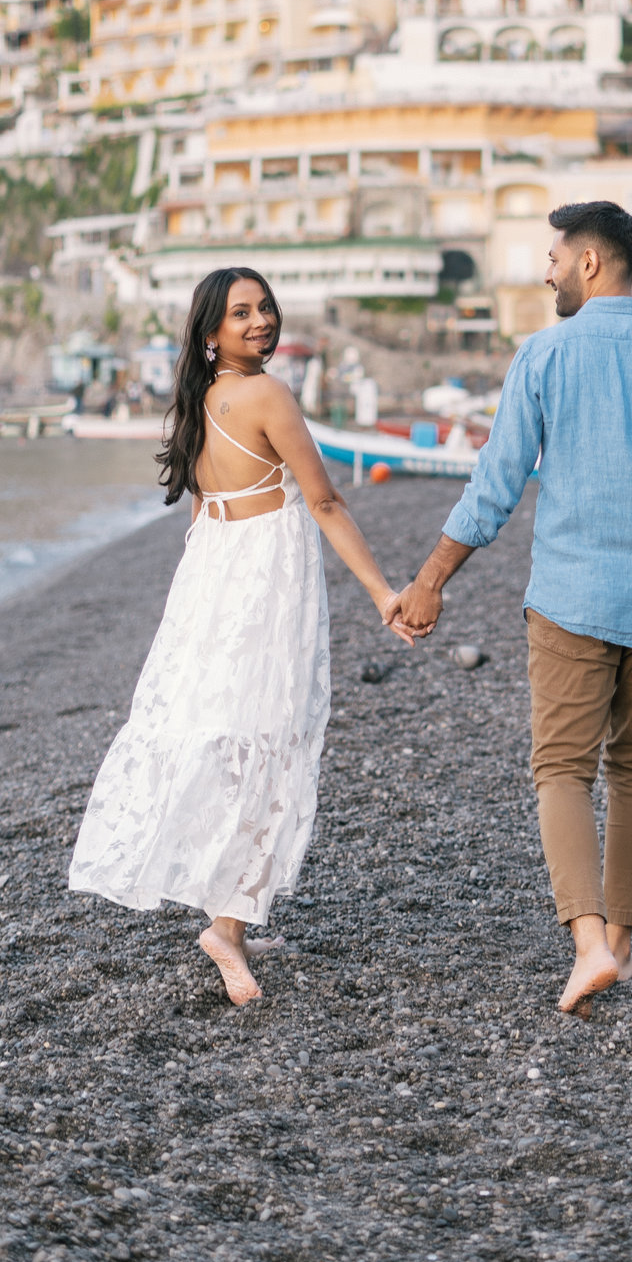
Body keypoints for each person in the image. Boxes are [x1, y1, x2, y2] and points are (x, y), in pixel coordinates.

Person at [387, 202, 632, 1015]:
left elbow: (494, 486)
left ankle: (589, 943)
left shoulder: (546, 355)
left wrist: (430, 581)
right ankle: (620, 950)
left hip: (572, 601)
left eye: (554, 257)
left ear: (591, 264)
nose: (546, 271)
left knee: (561, 768)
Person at [69, 266, 413, 1005]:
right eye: (241, 313)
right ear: (211, 333)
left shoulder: (199, 401)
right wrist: (383, 591)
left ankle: (234, 909)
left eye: (265, 308)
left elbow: (202, 507)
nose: (261, 321)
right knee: (267, 735)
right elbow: (323, 500)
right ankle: (225, 927)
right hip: (263, 574)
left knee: (222, 730)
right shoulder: (265, 395)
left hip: (213, 571)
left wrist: (194, 605)